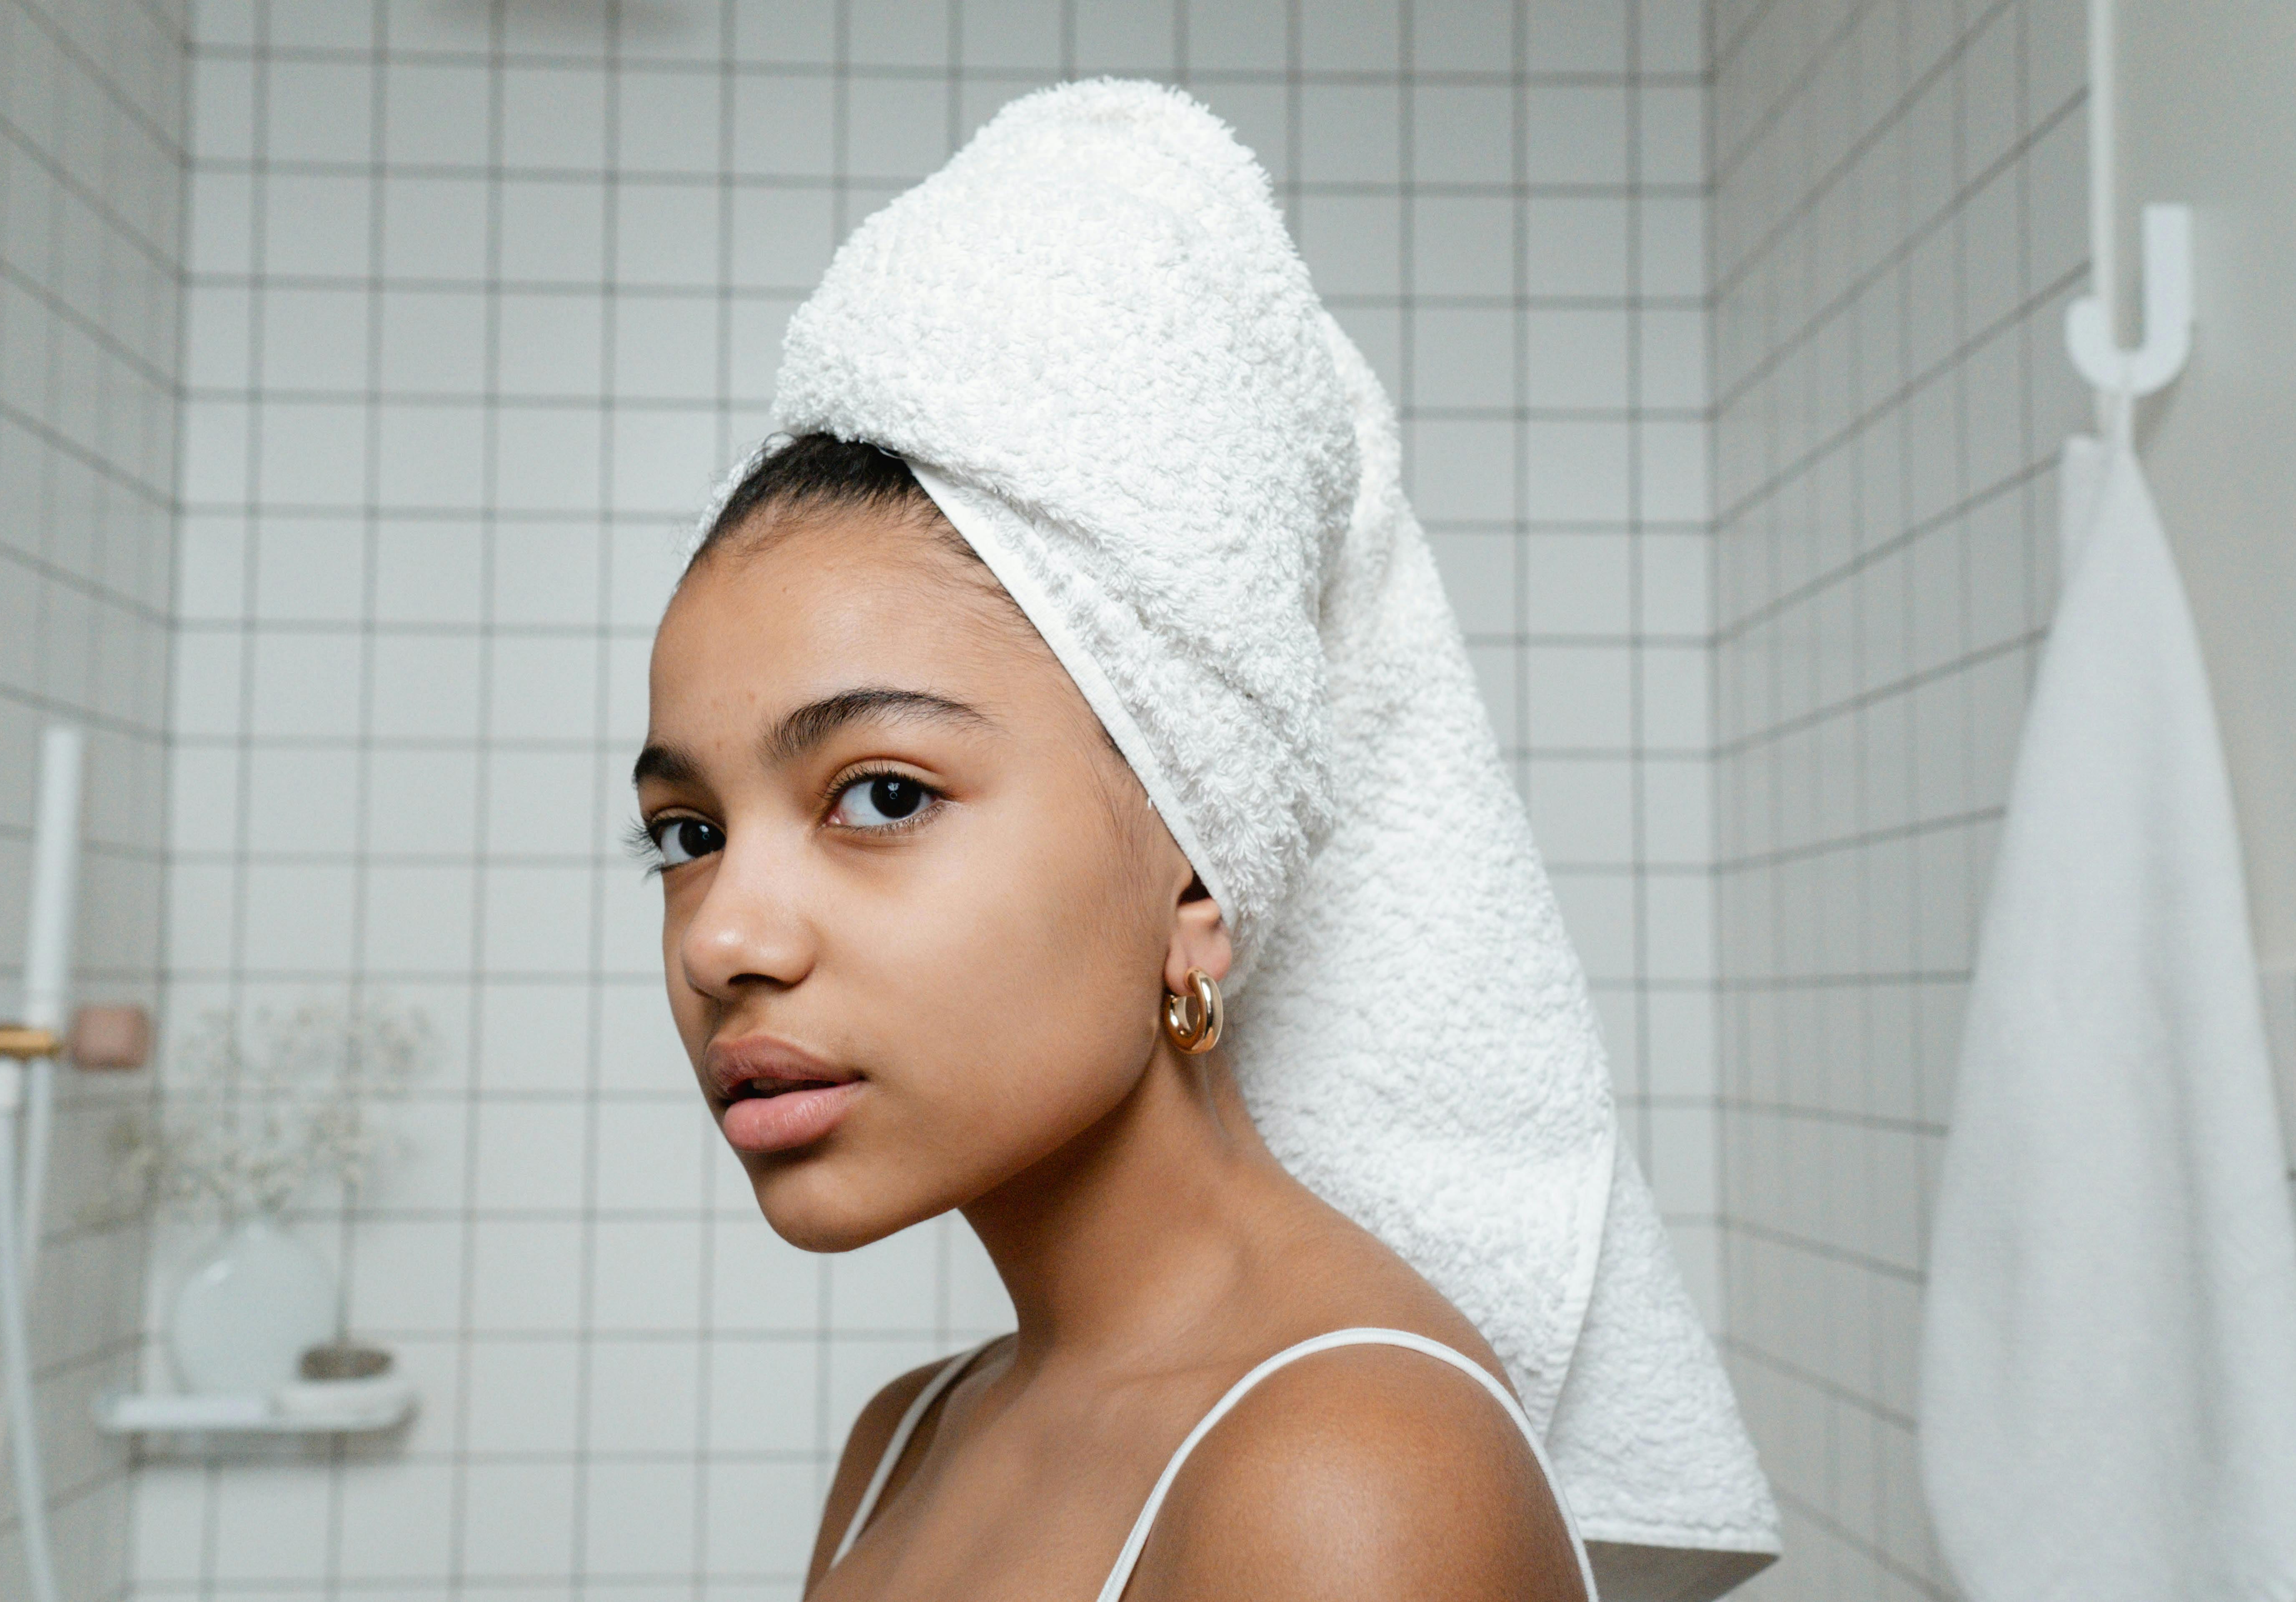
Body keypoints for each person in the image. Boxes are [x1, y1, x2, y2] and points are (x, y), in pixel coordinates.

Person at [634, 80, 1775, 1602]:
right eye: (688, 832)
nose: (723, 938)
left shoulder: (1350, 1481)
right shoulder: (905, 1442)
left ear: (1196, 876)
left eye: (884, 794)